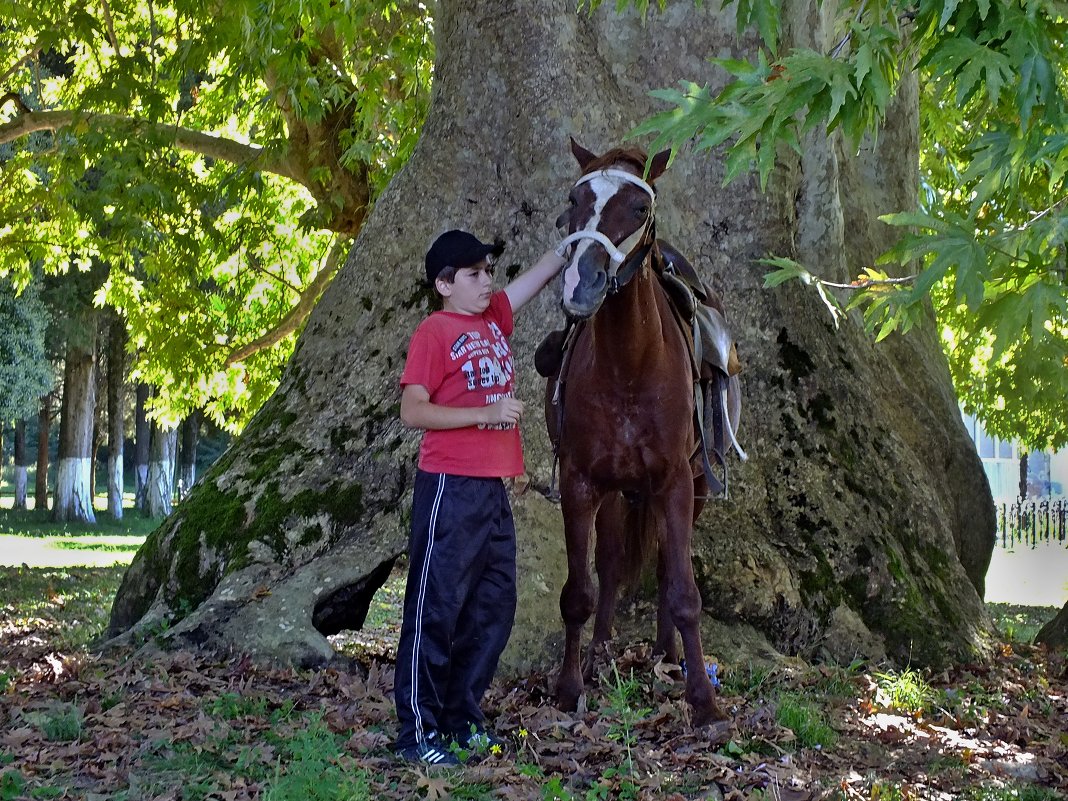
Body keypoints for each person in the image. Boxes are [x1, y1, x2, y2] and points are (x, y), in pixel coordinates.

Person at [394, 229, 566, 767]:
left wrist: (573, 246)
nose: (486, 280)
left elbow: (533, 281)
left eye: (489, 270)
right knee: (436, 607)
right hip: (449, 486)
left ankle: (461, 720)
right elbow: (413, 411)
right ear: (444, 284)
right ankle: (417, 732)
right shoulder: (435, 330)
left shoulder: (492, 318)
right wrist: (483, 414)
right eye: (473, 273)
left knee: (493, 606)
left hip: (492, 490)